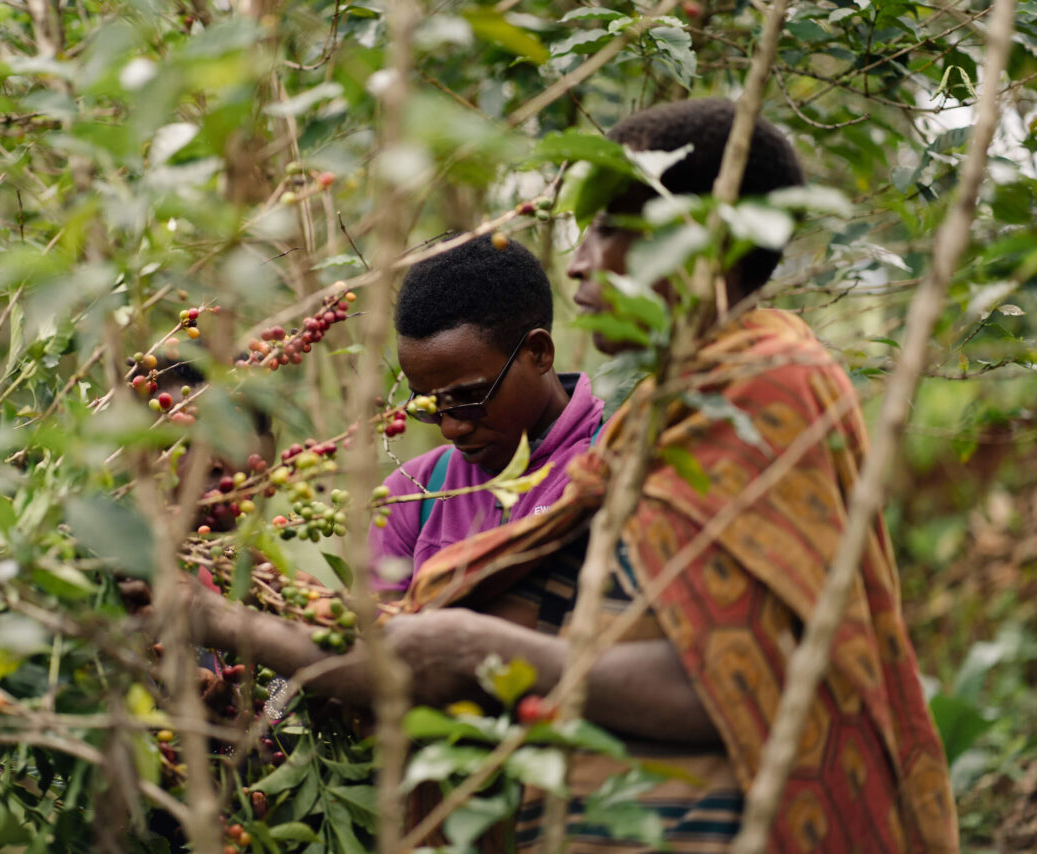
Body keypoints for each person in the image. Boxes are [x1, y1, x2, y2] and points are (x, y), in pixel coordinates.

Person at [403, 98, 958, 852]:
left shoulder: (767, 387)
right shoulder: (665, 410)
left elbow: (735, 684)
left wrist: (471, 647)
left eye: (608, 228)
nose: (577, 261)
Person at [370, 233, 606, 595]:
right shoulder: (411, 496)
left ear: (539, 353)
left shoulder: (615, 462)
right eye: (429, 406)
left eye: (470, 396)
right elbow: (378, 640)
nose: (450, 428)